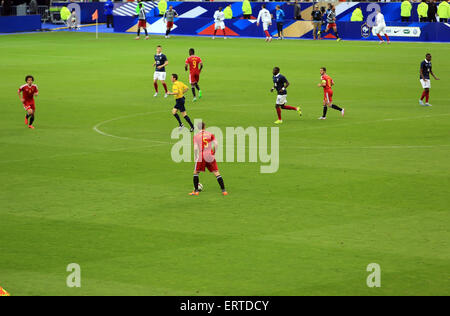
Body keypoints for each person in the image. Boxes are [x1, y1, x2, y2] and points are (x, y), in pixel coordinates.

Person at [190, 122, 228, 196]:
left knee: (196, 173)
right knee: (216, 172)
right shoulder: (210, 134)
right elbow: (216, 144)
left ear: (198, 128)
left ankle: (196, 191)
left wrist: (195, 156)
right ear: (205, 127)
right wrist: (214, 152)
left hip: (201, 155)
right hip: (210, 155)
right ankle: (224, 191)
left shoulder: (196, 136)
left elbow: (195, 148)